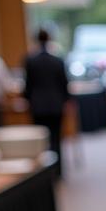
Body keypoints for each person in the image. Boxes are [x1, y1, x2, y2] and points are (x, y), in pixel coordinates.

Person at [23, 28, 69, 173]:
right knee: (56, 139)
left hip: (38, 105)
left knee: (41, 141)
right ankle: (58, 171)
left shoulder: (30, 60)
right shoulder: (57, 60)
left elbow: (28, 85)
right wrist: (66, 101)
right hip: (56, 104)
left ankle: (44, 172)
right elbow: (64, 84)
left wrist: (28, 99)